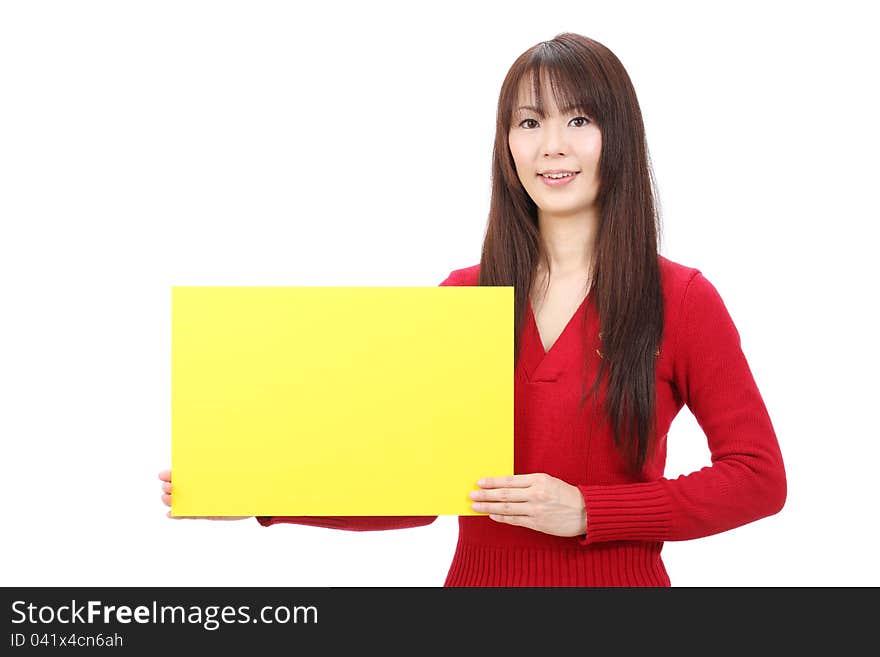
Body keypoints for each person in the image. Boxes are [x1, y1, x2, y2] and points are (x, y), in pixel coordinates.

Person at [159, 32, 786, 586]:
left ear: (617, 136)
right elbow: (411, 490)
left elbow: (758, 476)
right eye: (529, 122)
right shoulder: (464, 300)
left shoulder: (679, 299)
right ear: (506, 145)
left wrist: (593, 512)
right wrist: (258, 489)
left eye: (578, 120)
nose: (552, 147)